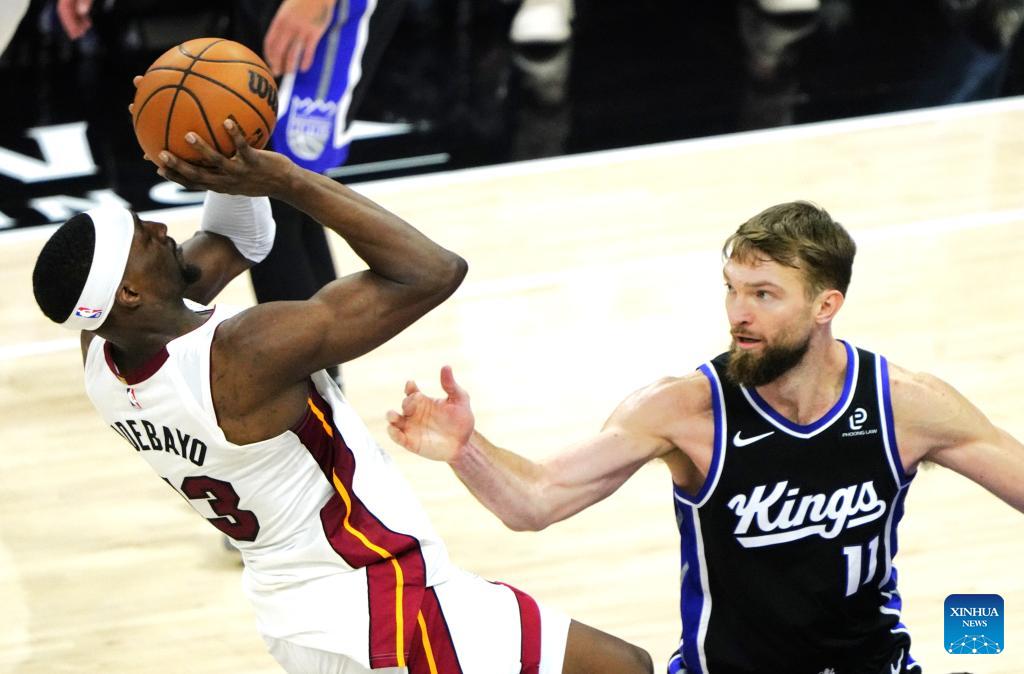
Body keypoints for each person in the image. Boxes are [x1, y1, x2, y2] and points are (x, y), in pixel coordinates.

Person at [30, 122, 653, 674]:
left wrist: (222, 150)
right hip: (380, 597)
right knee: (621, 667)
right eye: (144, 238)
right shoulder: (242, 356)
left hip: (295, 608)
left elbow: (238, 237)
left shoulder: (102, 353)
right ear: (130, 294)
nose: (163, 228)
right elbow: (431, 271)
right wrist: (289, 180)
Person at [386, 200, 1024, 673]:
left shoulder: (903, 406)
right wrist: (465, 449)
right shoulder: (684, 410)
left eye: (764, 294)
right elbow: (536, 500)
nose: (739, 313)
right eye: (732, 290)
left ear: (825, 306)